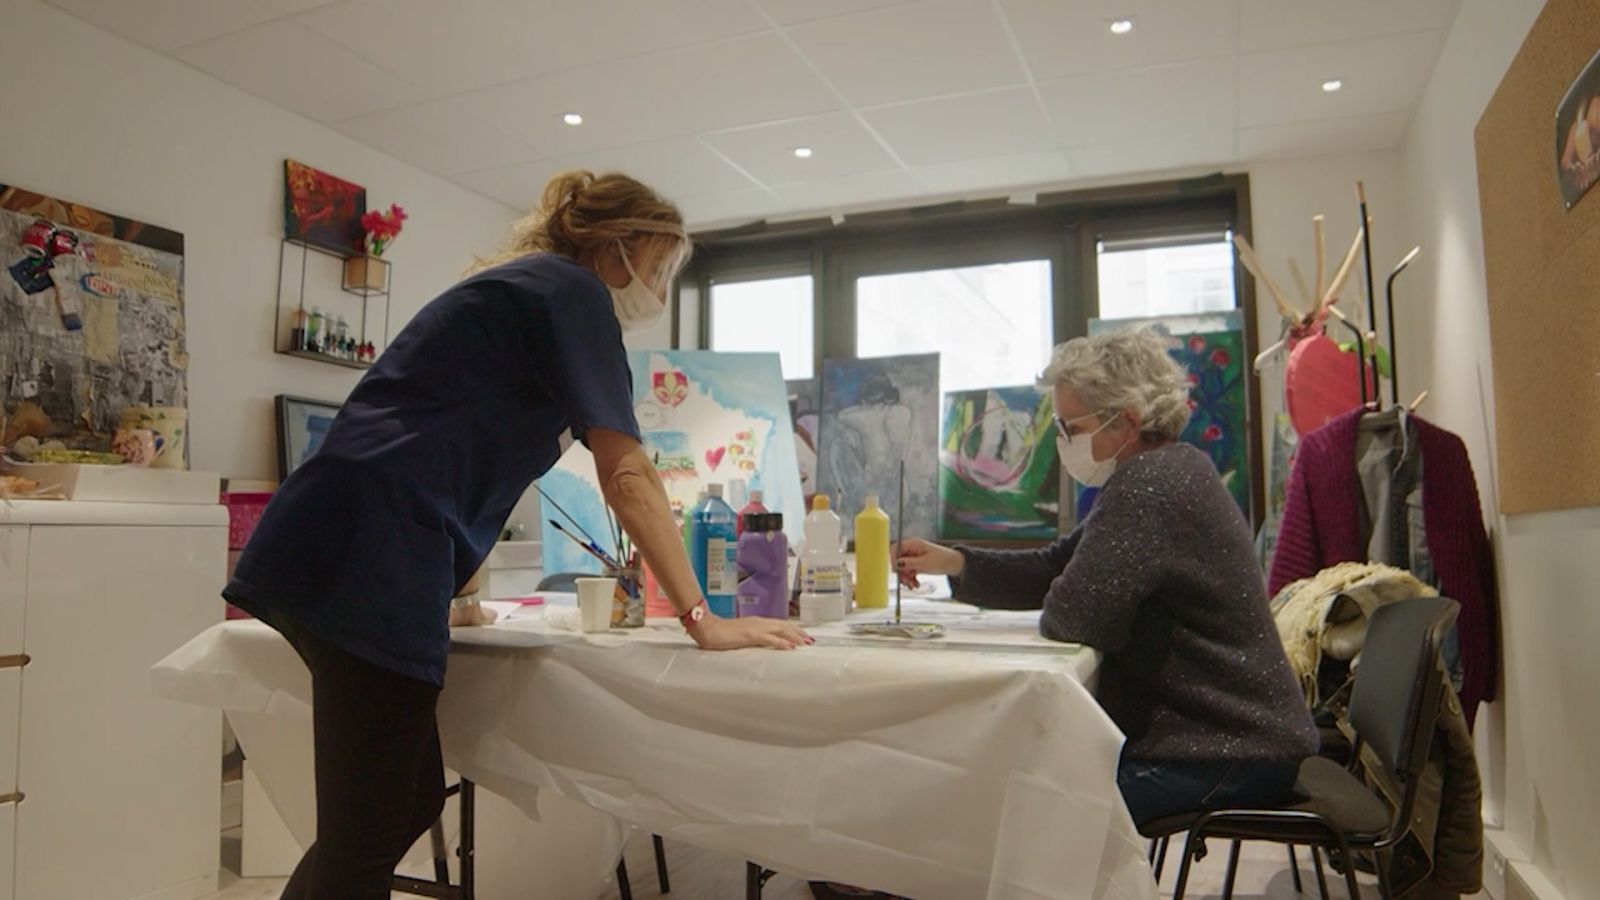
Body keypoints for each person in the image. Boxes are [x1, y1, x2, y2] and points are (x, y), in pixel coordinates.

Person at [225, 170, 811, 899]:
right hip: (370, 545)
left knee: (394, 809)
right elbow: (626, 473)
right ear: (614, 248)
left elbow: (454, 448)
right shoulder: (572, 294)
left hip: (353, 534)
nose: (657, 292)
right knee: (370, 827)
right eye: (657, 269)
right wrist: (703, 621)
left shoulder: (531, 290)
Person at [895, 328, 1317, 827]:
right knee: (1015, 786)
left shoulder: (1148, 486)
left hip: (1225, 753)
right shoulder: (1171, 470)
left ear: (1128, 422)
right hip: (1239, 741)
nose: (1062, 442)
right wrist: (956, 563)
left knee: (1013, 809)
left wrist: (1071, 591)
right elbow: (1060, 569)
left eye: (1071, 427)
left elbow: (1075, 617)